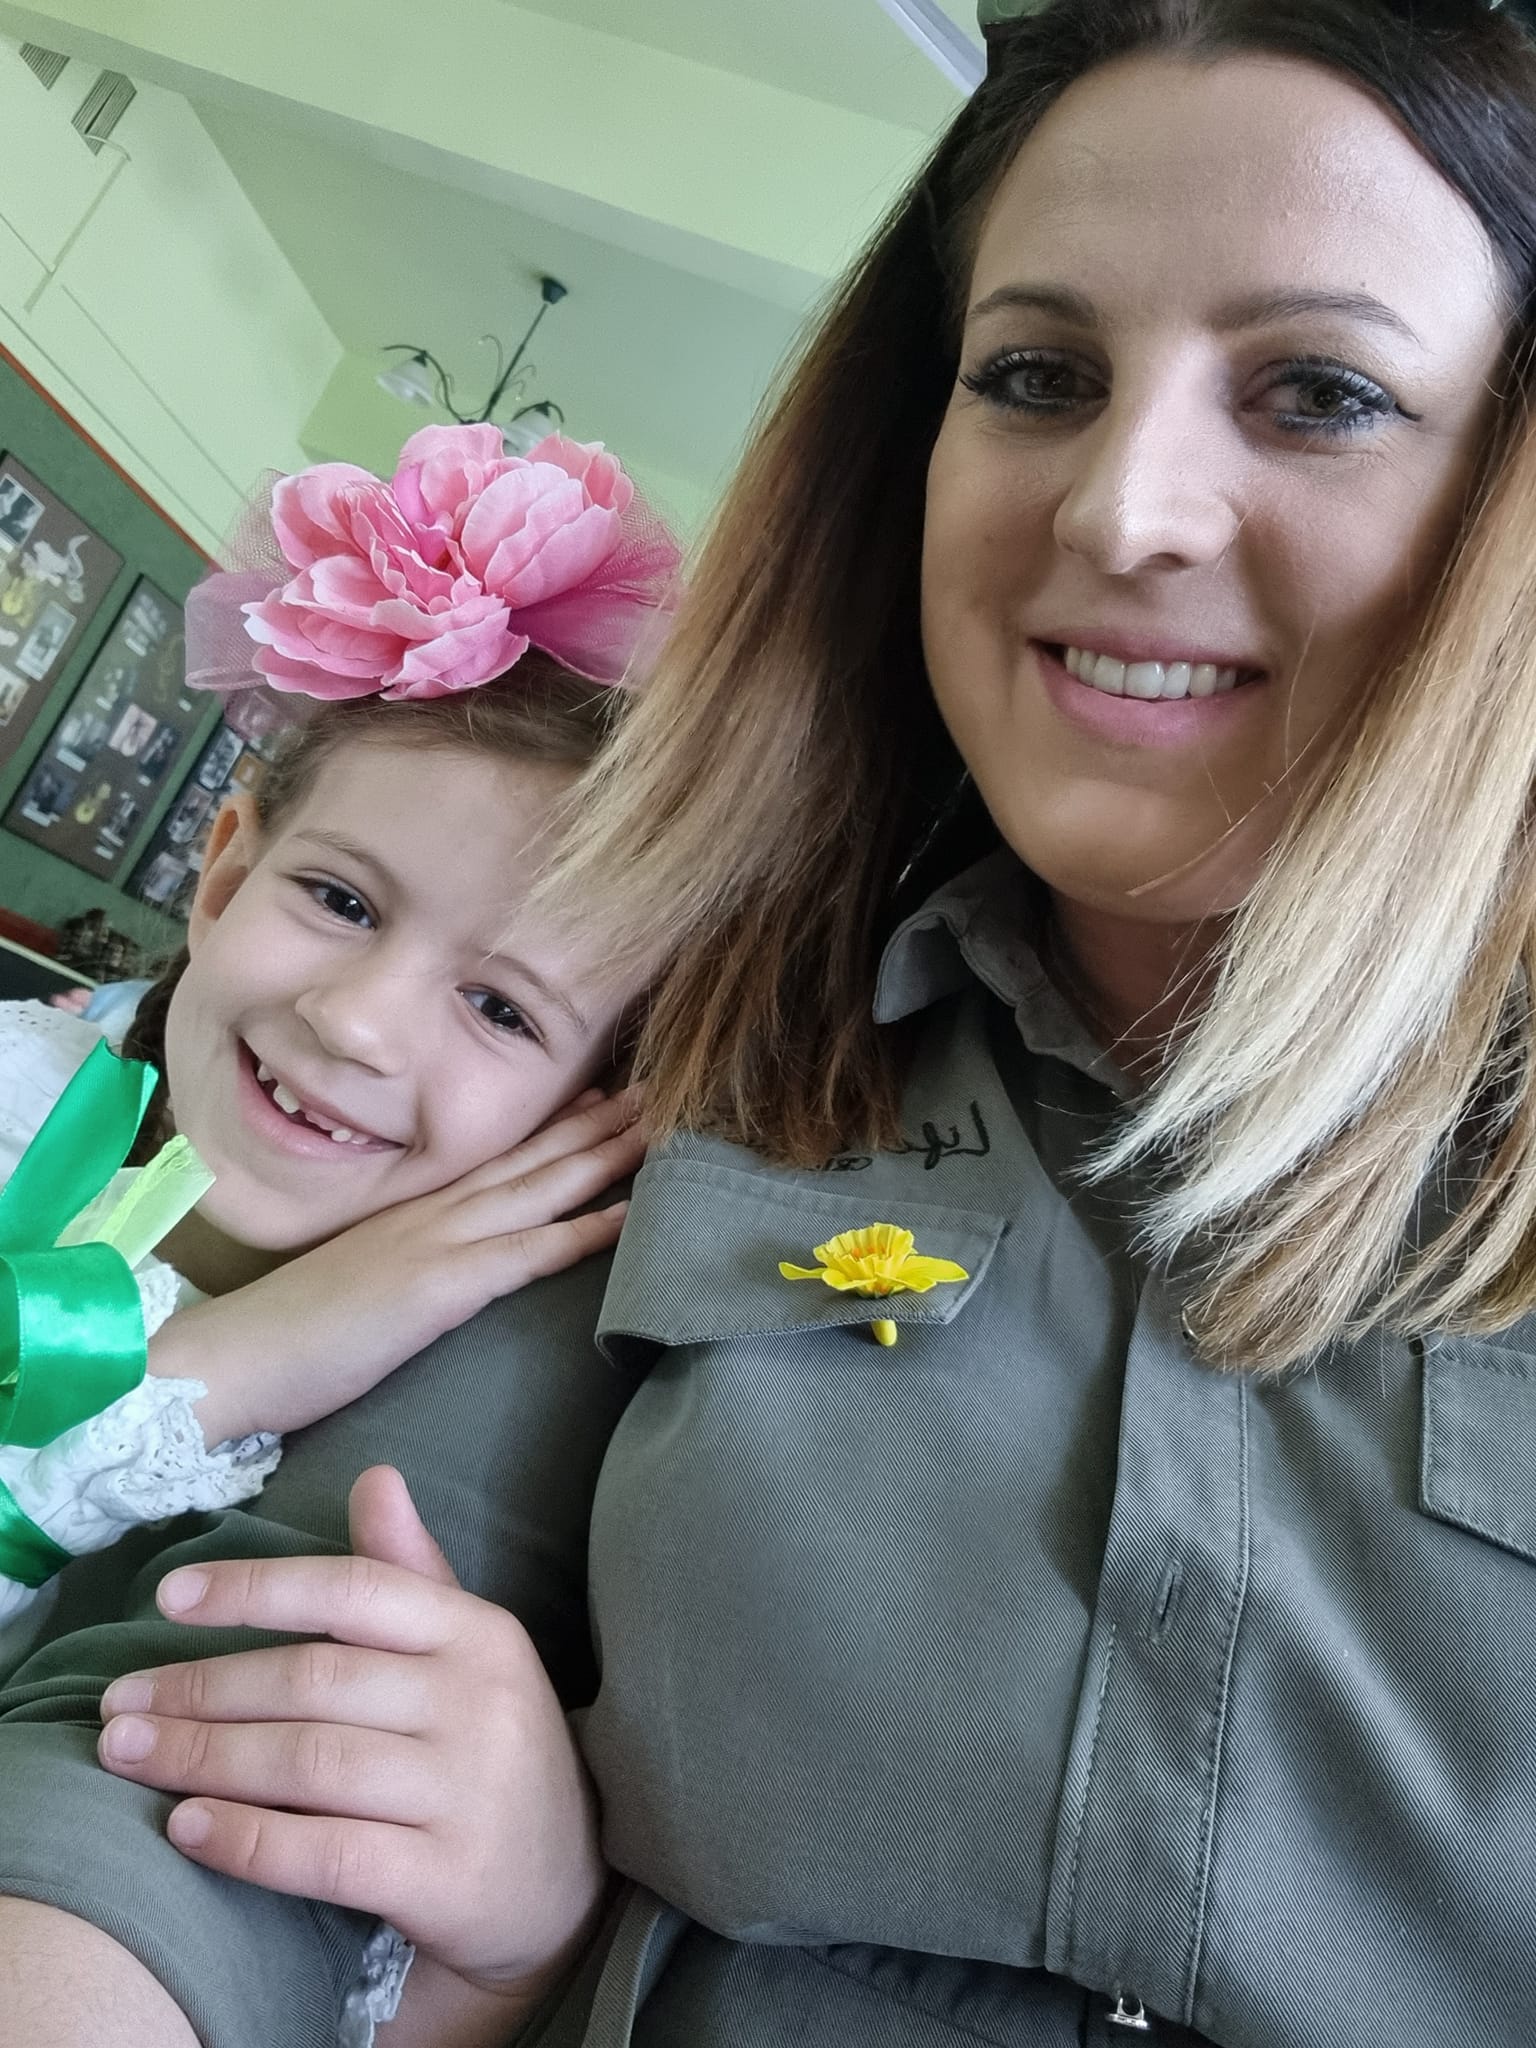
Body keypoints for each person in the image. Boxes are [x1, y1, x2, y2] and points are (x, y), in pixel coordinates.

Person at [4, 0, 1536, 2042]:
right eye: (1037, 375)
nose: (1122, 511)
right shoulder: (704, 1085)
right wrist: (493, 1946)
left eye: (1321, 392)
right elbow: (187, 1741)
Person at [0, 421, 679, 1635]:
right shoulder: (15, 1093)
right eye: (342, 900)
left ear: (588, 1109)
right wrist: (230, 1367)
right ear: (223, 879)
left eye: (502, 1008)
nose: (356, 1021)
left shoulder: (487, 1405)